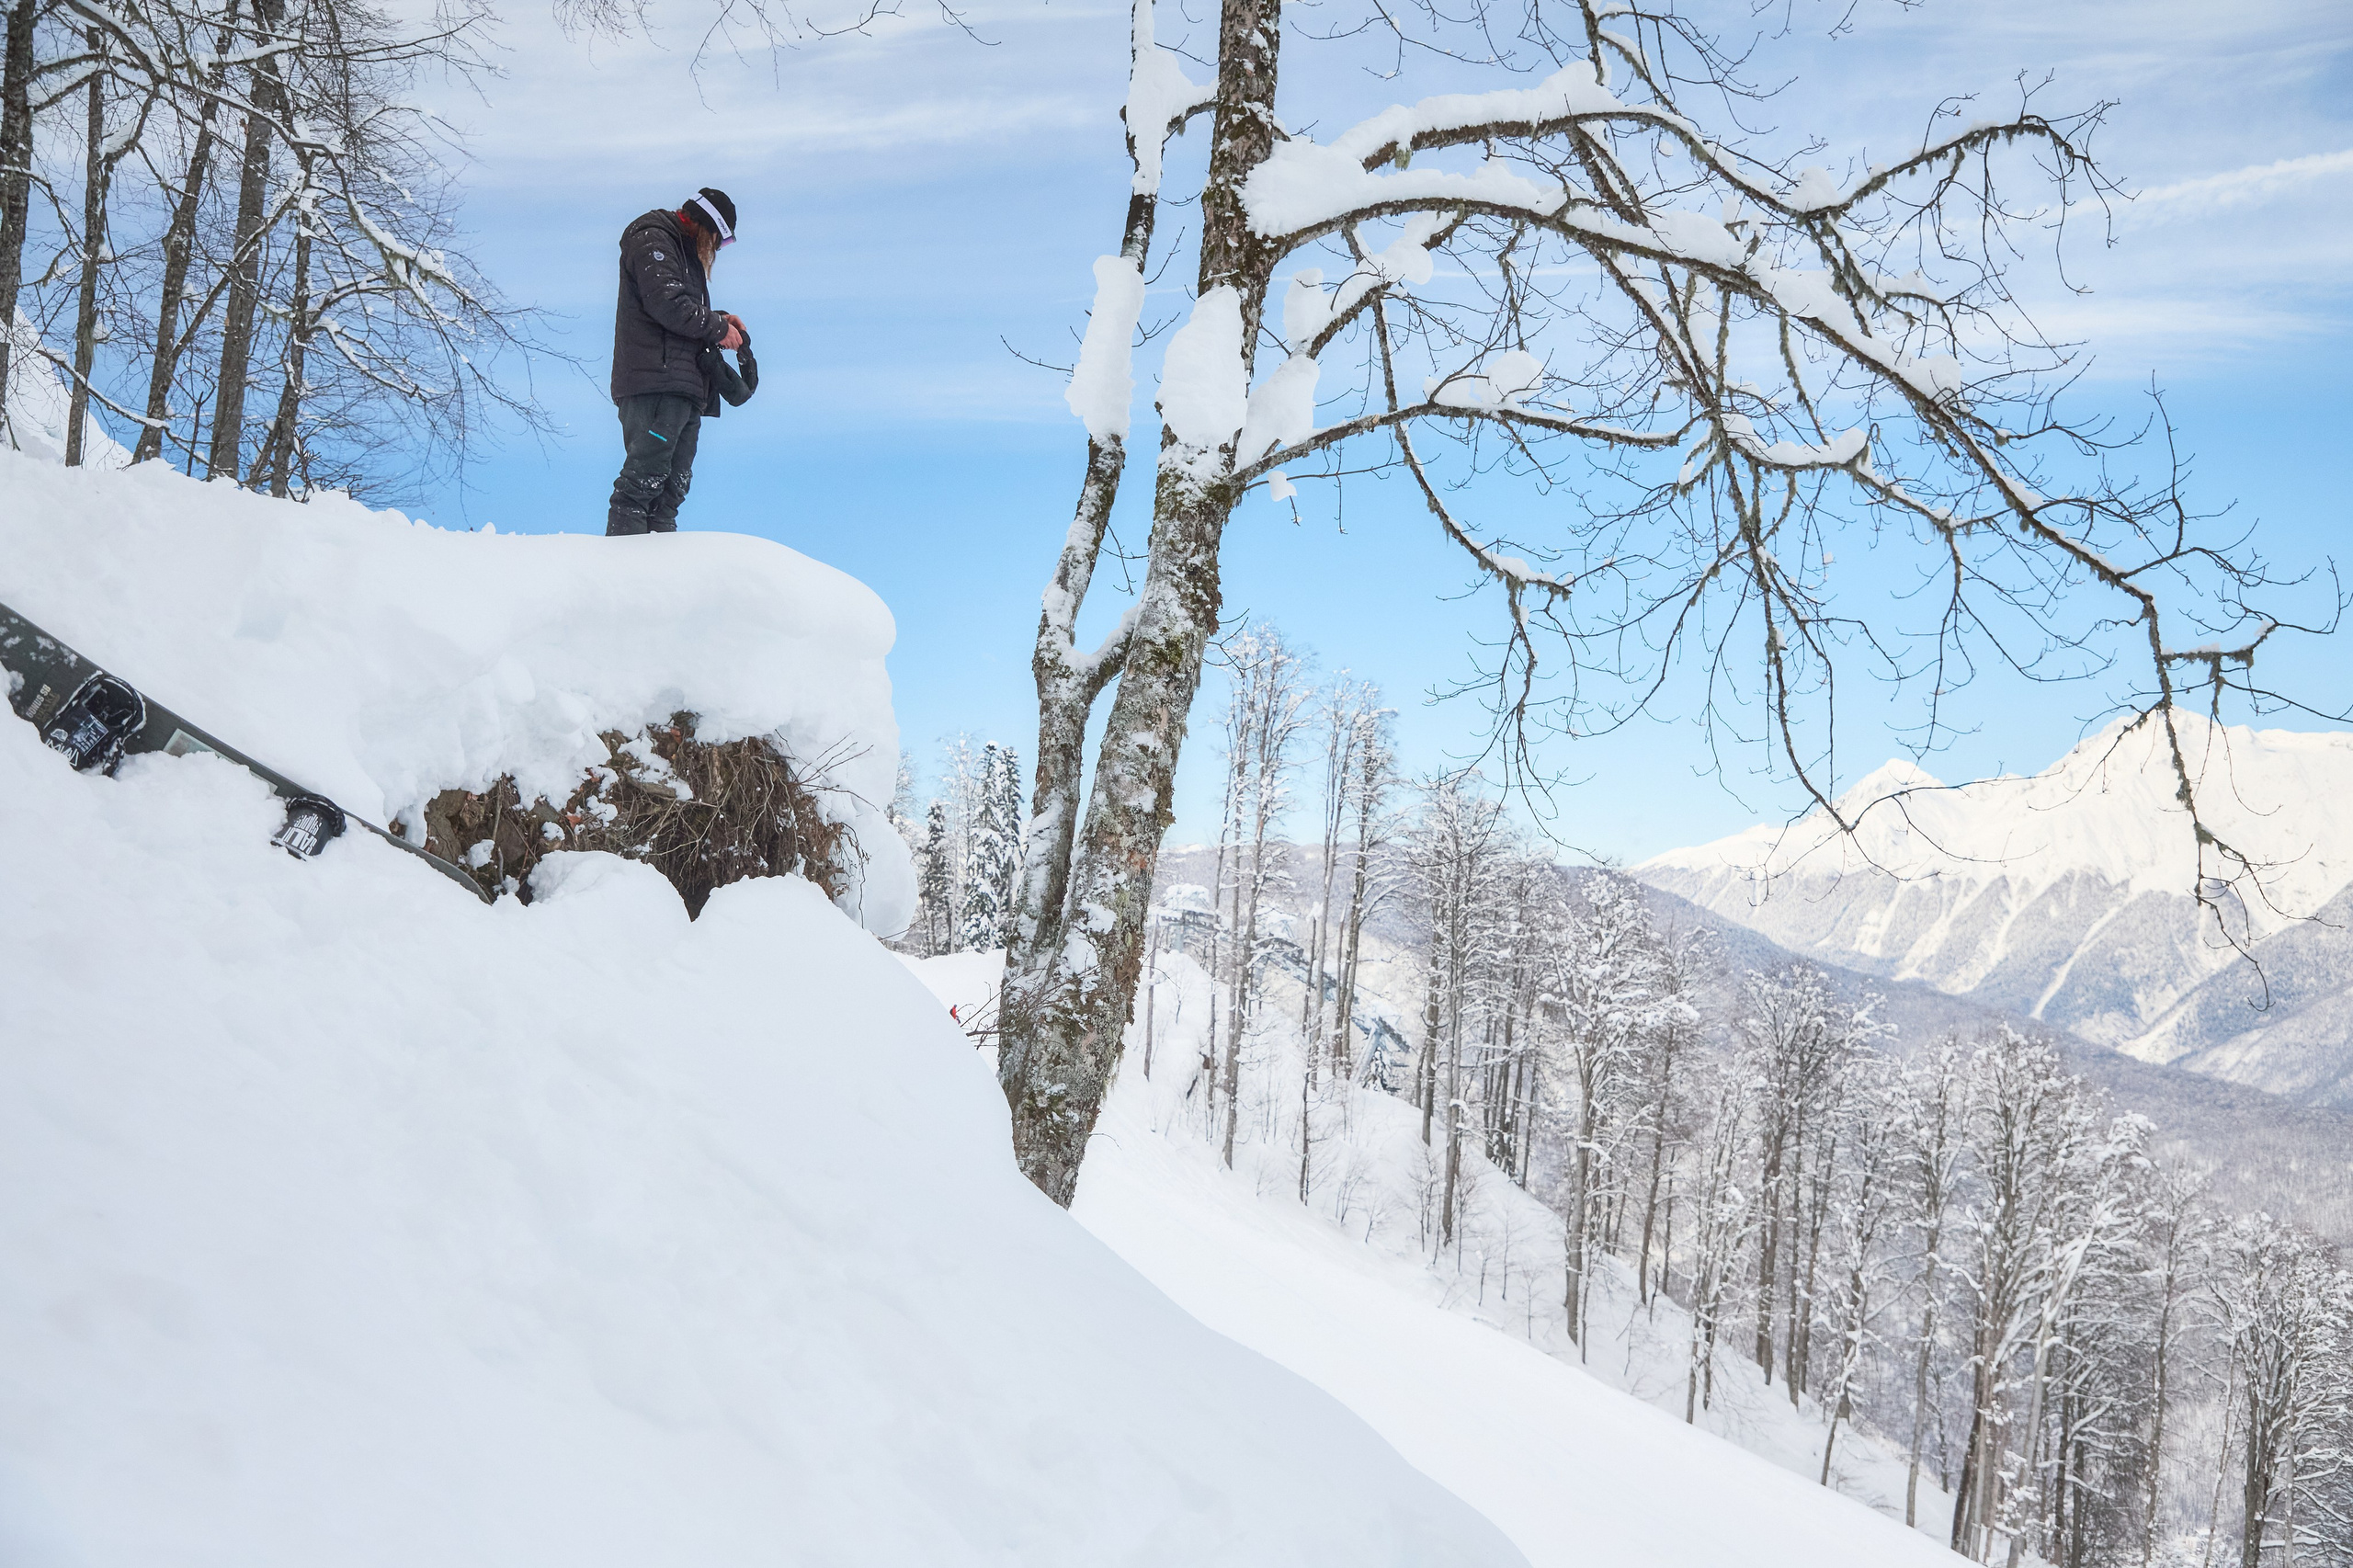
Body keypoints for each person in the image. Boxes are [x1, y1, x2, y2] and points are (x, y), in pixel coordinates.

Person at [605, 187, 757, 536]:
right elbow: (666, 303)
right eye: (720, 240)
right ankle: (620, 574)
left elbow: (676, 307)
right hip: (654, 383)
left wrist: (719, 319)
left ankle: (661, 579)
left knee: (672, 490)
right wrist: (717, 327)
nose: (717, 250)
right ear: (708, 226)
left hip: (682, 386)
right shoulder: (653, 238)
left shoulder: (683, 250)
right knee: (643, 482)